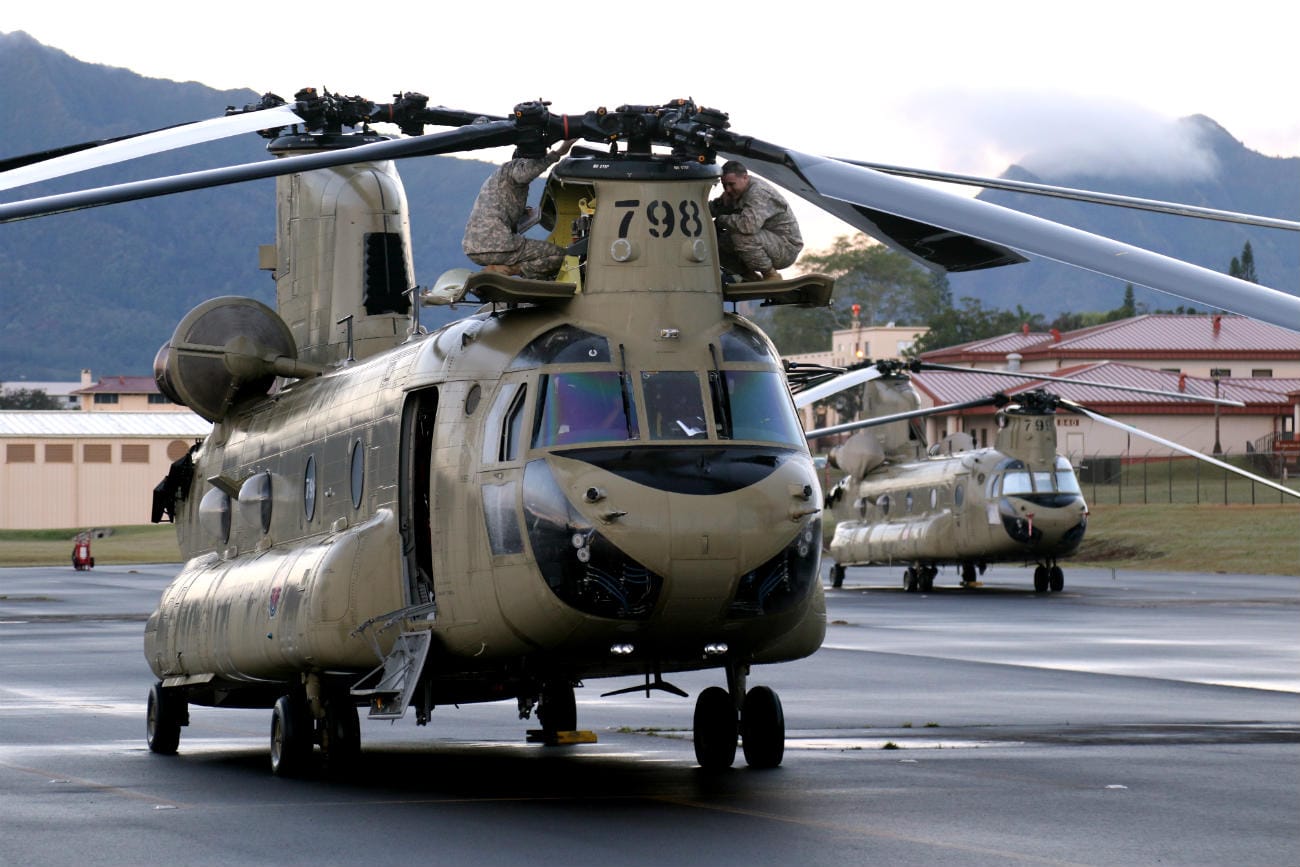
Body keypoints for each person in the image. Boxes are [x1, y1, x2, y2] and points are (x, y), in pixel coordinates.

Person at [462, 139, 577, 279]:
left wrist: (522, 212)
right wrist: (558, 153)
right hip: (498, 245)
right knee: (561, 256)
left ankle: (497, 268)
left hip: (474, 249)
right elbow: (524, 174)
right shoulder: (514, 168)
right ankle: (509, 270)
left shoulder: (500, 180)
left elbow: (499, 208)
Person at [709, 160, 803, 281]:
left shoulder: (758, 192)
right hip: (766, 242)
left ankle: (771, 276)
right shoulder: (734, 193)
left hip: (786, 247)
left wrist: (721, 220)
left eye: (731, 184)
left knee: (742, 236)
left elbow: (748, 226)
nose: (727, 189)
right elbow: (712, 209)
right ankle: (749, 277)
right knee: (713, 241)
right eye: (724, 185)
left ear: (745, 177)